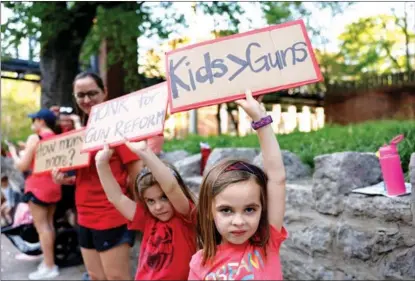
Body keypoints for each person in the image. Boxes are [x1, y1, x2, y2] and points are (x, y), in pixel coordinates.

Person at [52, 71, 164, 280]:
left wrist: (141, 215)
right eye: (80, 95)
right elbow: (88, 175)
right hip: (84, 215)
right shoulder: (82, 131)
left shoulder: (117, 127)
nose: (86, 100)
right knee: (95, 276)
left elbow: (135, 173)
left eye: (92, 93)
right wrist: (66, 179)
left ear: (104, 92)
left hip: (112, 216)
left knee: (116, 278)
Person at [188, 90, 288, 280]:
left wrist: (260, 120)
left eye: (250, 209)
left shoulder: (267, 243)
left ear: (262, 209)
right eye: (226, 210)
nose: (239, 221)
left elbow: (277, 178)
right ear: (209, 210)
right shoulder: (199, 262)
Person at [95, 139, 197, 280]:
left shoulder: (186, 216)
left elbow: (171, 187)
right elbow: (116, 198)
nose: (158, 207)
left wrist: (145, 152)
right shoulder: (147, 219)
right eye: (150, 201)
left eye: (164, 198)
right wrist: (101, 165)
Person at [7, 108, 61, 280]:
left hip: (37, 186)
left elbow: (22, 166)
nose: (33, 124)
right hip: (54, 185)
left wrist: (15, 154)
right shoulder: (56, 137)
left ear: (41, 121)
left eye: (34, 120)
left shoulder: (34, 138)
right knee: (49, 226)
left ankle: (50, 266)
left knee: (42, 228)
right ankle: (48, 262)